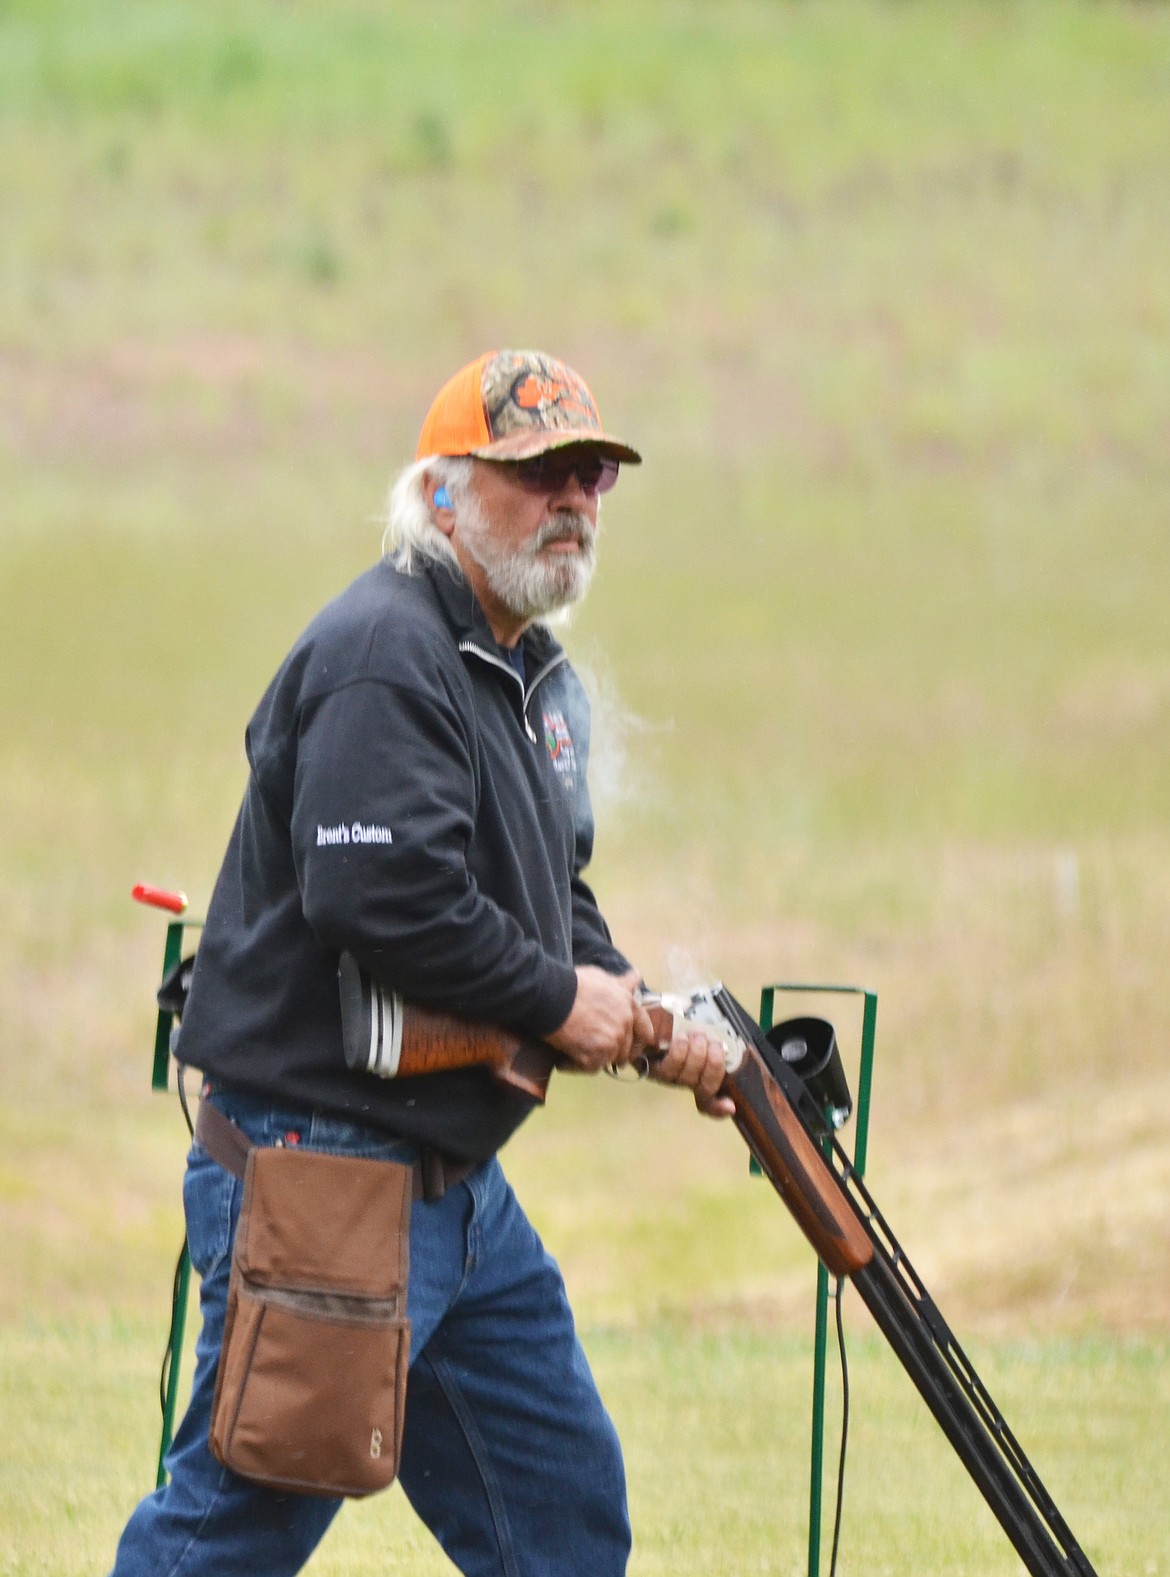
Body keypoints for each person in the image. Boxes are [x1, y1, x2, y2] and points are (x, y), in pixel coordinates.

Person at [108, 348, 732, 1577]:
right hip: (323, 1169)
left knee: (562, 1514)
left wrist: (656, 1023)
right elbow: (379, 893)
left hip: (452, 1183)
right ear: (442, 494)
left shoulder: (535, 674)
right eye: (538, 472)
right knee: (233, 1529)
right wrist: (563, 1000)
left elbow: (554, 898)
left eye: (592, 473)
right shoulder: (382, 650)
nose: (574, 499)